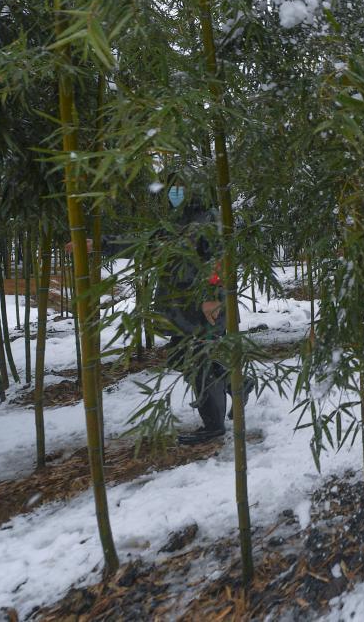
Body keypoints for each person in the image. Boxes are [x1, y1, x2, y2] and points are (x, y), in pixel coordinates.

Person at [73, 176, 239, 445]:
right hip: (181, 306)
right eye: (171, 188)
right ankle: (236, 384)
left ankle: (214, 425)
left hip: (204, 307)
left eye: (180, 188)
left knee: (199, 363)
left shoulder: (211, 219)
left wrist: (211, 297)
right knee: (179, 356)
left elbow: (220, 261)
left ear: (195, 189)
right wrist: (100, 244)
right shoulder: (176, 222)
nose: (174, 193)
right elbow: (143, 243)